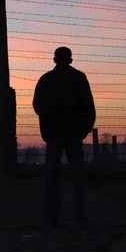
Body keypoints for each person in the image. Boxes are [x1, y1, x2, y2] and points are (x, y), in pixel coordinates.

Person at [33, 46, 96, 229]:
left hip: (53, 134)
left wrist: (47, 124)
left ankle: (51, 219)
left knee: (51, 176)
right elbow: (89, 106)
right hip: (73, 133)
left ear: (54, 59)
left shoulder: (46, 79)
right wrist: (83, 128)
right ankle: (79, 217)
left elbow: (37, 105)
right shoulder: (78, 78)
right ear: (70, 60)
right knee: (77, 176)